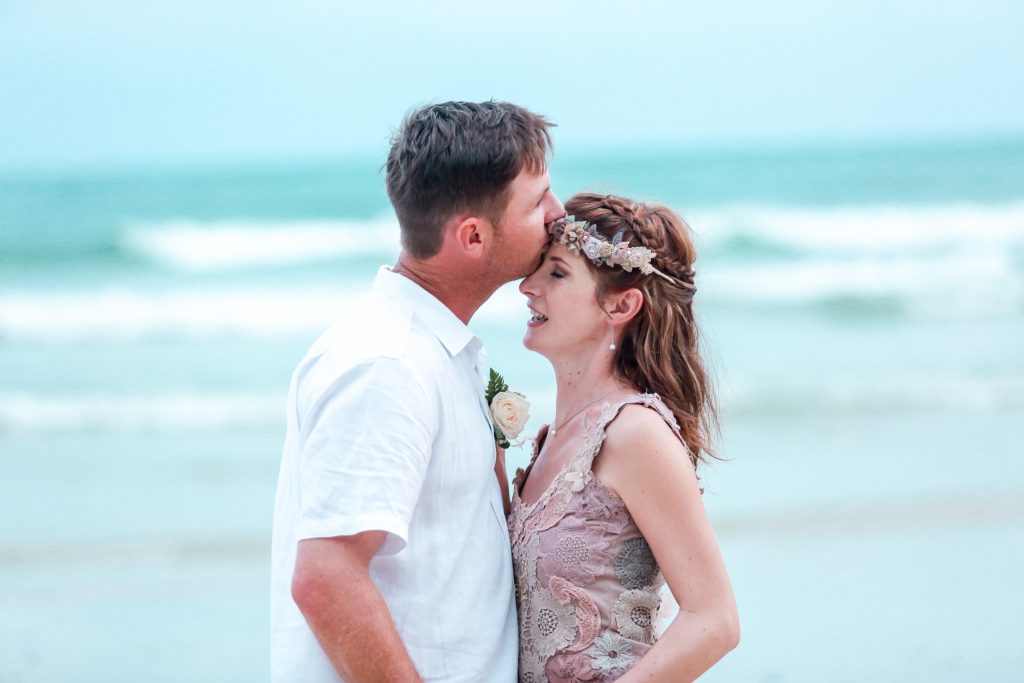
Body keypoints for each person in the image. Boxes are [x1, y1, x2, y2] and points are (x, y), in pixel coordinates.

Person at [270, 101, 565, 682]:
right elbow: (326, 579)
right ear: (474, 236)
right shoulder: (387, 365)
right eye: (538, 202)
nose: (559, 214)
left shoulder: (436, 352)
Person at [510, 193, 740, 682]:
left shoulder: (635, 432)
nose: (528, 286)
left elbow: (714, 621)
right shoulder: (550, 439)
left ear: (621, 305)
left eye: (556, 273)